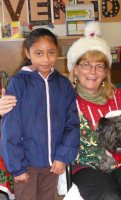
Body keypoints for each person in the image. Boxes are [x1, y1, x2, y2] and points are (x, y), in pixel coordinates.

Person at [0, 22, 121, 200]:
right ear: (75, 68)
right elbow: (33, 118)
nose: (93, 71)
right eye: (86, 64)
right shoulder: (63, 97)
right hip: (87, 167)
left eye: (99, 65)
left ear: (106, 71)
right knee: (108, 196)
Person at [0, 28, 80, 200]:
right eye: (38, 53)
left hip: (53, 164)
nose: (46, 59)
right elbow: (10, 127)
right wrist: (17, 166)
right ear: (27, 52)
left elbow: (72, 124)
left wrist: (62, 156)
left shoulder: (63, 84)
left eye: (51, 53)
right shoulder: (18, 83)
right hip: (25, 163)